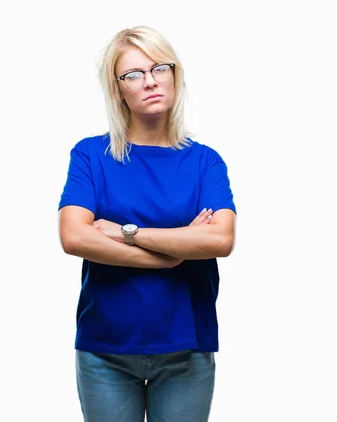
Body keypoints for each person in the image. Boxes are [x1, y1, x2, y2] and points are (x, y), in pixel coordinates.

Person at [57, 25, 236, 422]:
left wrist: (125, 231)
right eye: (133, 74)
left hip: (186, 346)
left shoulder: (205, 161)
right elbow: (73, 235)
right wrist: (173, 250)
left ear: (176, 75)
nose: (150, 81)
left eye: (160, 68)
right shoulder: (91, 156)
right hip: (106, 349)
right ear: (118, 89)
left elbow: (221, 239)